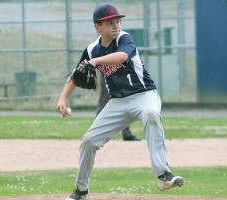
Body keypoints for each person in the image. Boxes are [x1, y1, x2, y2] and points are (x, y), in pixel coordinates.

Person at [57, 3, 184, 200]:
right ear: (98, 27)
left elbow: (123, 56)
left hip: (144, 95)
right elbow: (77, 74)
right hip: (118, 102)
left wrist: (96, 62)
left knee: (151, 115)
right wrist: (63, 97)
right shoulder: (92, 50)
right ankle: (81, 191)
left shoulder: (124, 38)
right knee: (89, 141)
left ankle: (163, 175)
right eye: (110, 22)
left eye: (117, 21)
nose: (116, 25)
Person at [97, 73, 140, 141]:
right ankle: (97, 131)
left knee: (125, 100)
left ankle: (126, 133)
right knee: (105, 101)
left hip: (121, 72)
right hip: (107, 73)